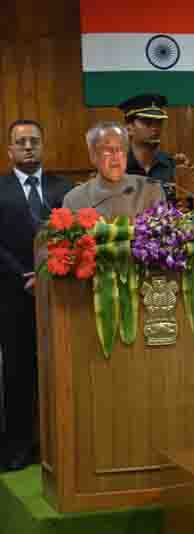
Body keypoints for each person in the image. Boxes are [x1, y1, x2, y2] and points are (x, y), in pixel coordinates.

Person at [0, 119, 72, 471]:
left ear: (43, 146)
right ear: (10, 150)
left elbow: (77, 235)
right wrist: (24, 276)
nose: (28, 147)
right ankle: (16, 449)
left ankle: (60, 449)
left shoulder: (65, 189)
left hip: (61, 295)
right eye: (21, 142)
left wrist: (49, 274)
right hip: (13, 296)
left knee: (61, 371)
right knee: (18, 372)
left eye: (34, 141)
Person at [63, 121, 164, 219]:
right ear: (93, 156)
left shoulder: (151, 190)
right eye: (107, 150)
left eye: (120, 149)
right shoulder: (75, 199)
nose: (115, 156)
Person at [119, 93, 176, 186]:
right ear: (129, 128)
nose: (155, 128)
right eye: (147, 122)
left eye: (159, 122)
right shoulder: (117, 166)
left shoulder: (171, 166)